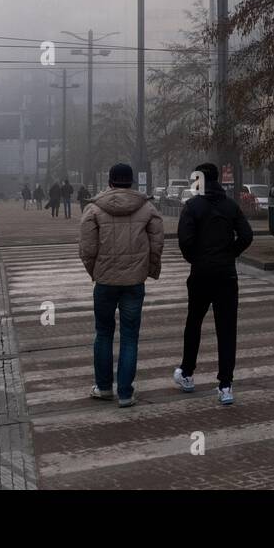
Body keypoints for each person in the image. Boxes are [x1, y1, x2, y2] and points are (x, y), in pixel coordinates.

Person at [79, 162, 163, 408]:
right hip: (134, 283)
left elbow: (86, 248)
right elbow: (157, 244)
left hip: (105, 282)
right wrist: (149, 269)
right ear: (132, 181)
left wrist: (94, 271)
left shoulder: (93, 209)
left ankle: (104, 387)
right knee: (130, 337)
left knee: (103, 333)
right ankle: (125, 393)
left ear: (110, 181)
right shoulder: (147, 208)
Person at [174, 162, 253, 405]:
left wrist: (197, 259)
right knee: (227, 329)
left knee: (194, 322)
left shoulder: (192, 206)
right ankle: (225, 385)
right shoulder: (230, 206)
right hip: (227, 275)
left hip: (201, 274)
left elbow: (184, 241)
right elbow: (247, 235)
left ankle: (187, 373)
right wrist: (230, 253)